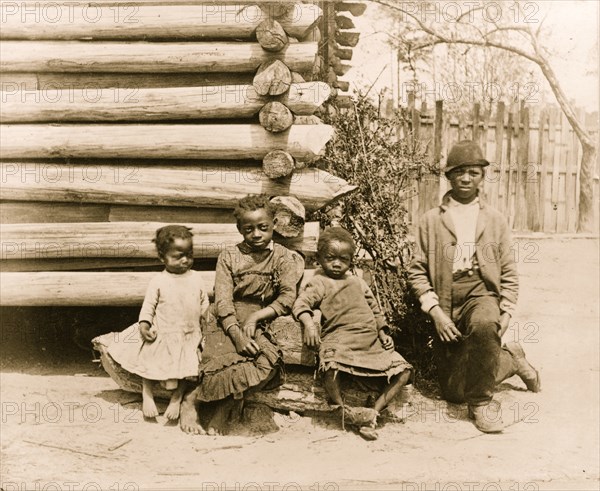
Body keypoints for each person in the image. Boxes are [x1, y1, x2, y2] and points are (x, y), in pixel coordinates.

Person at [408, 140, 541, 433]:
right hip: (445, 297)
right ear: (449, 176)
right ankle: (511, 359)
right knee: (454, 391)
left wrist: (505, 310)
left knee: (484, 324)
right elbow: (416, 270)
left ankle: (482, 404)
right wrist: (436, 312)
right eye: (459, 172)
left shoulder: (495, 220)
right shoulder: (430, 221)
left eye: (473, 173)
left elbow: (508, 270)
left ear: (482, 176)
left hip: (480, 291)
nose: (466, 179)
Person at [179, 194, 304, 435]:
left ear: (274, 225)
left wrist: (257, 318)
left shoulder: (282, 257)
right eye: (249, 229)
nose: (256, 234)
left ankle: (226, 405)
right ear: (239, 229)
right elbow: (223, 300)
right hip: (225, 317)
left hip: (260, 316)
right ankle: (191, 401)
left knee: (265, 361)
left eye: (263, 228)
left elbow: (287, 297)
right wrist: (236, 334)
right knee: (219, 356)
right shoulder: (229, 256)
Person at [293, 227, 413, 440]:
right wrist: (309, 324)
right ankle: (343, 411)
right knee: (330, 369)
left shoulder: (357, 281)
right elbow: (301, 303)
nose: (337, 264)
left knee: (403, 371)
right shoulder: (319, 281)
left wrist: (383, 331)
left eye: (344, 259)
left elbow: (375, 309)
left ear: (351, 261)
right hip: (341, 340)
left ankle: (372, 414)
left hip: (370, 342)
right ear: (319, 258)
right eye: (330, 258)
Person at [107, 225, 209, 420]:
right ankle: (147, 394)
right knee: (149, 359)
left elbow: (204, 302)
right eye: (178, 256)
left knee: (187, 367)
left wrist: (207, 319)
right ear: (162, 258)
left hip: (189, 333)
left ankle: (176, 398)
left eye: (189, 254)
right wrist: (144, 324)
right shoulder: (159, 280)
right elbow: (148, 306)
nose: (185, 260)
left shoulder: (196, 278)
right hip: (163, 332)